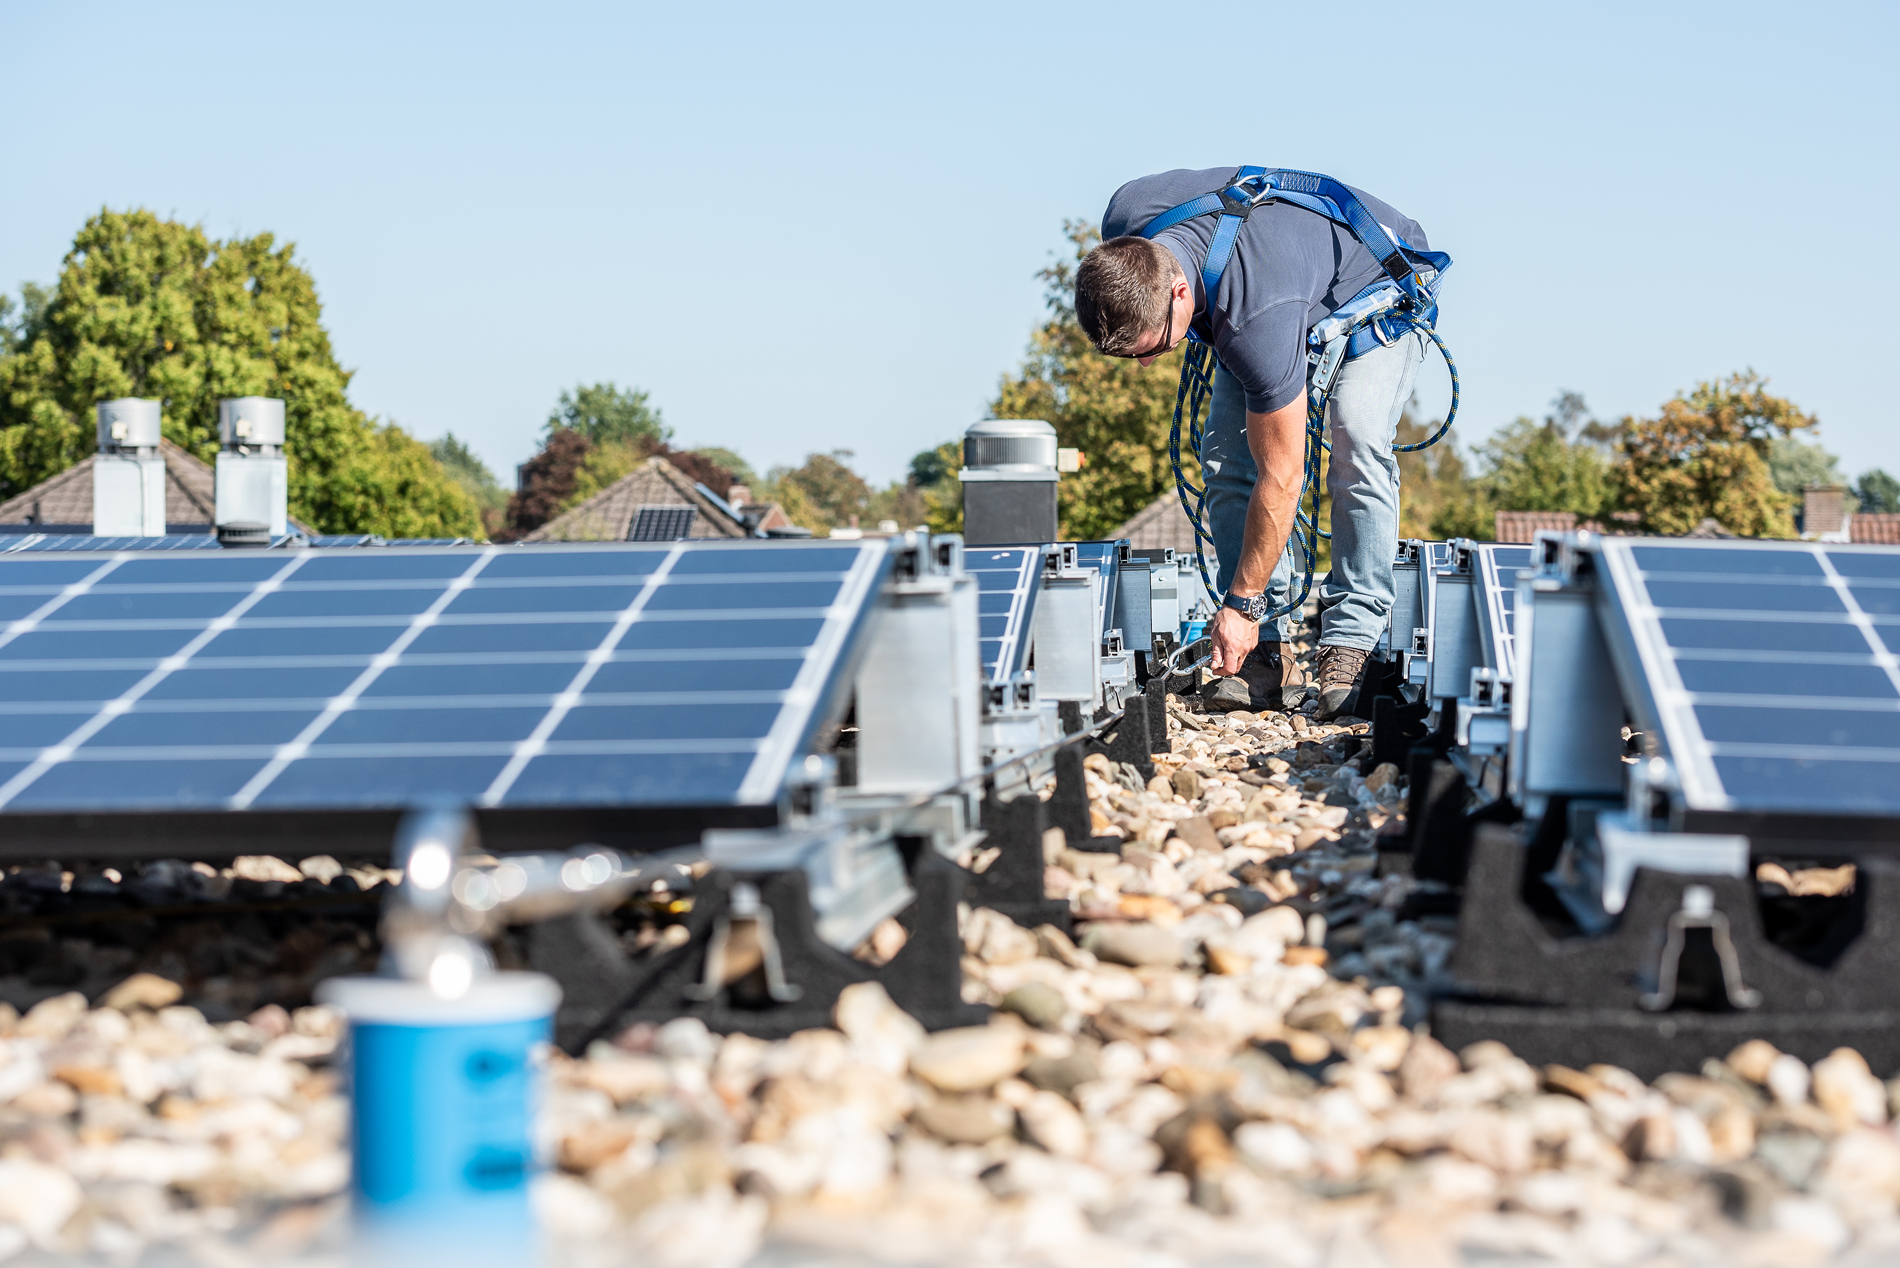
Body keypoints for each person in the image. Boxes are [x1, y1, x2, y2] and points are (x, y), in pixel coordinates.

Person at [1073, 167, 1434, 720]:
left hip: (1377, 283)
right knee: (1225, 459)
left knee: (1355, 441)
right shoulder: (1129, 215)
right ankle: (1263, 651)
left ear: (1179, 291)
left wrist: (1240, 603)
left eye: (1154, 346)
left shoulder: (1256, 317)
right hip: (1271, 282)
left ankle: (1352, 643)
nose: (1147, 364)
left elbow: (1284, 477)